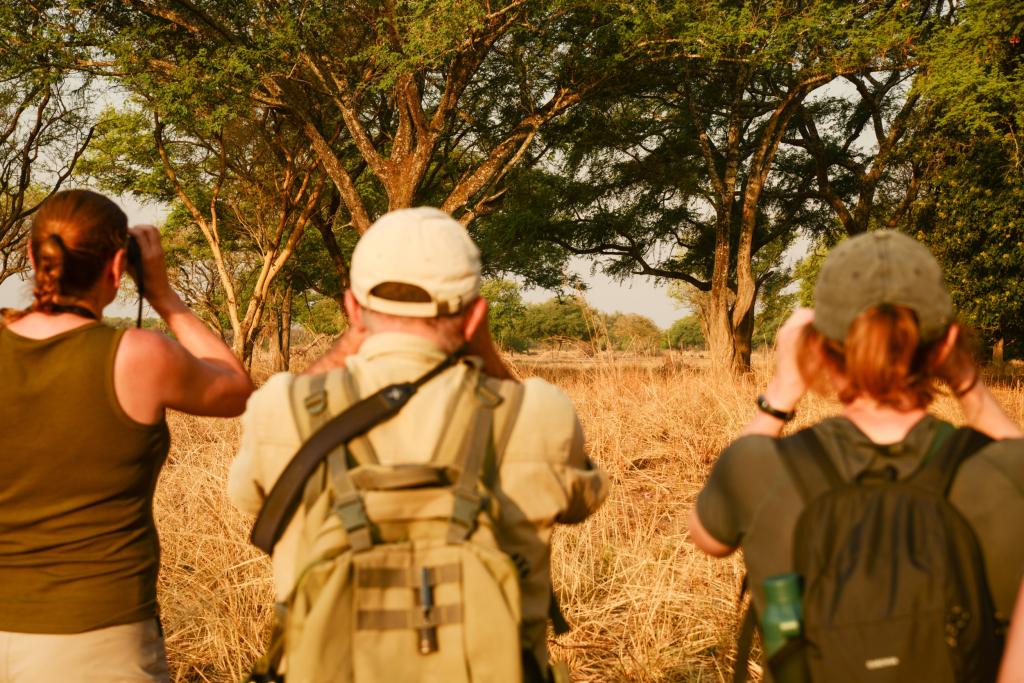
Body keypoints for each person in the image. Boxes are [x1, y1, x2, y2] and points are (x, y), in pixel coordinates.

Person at [229, 207, 608, 682]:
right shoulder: (539, 412)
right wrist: (486, 354)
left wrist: (340, 353)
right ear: (475, 317)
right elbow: (583, 500)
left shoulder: (279, 406)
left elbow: (251, 498)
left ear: (352, 309)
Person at [689, 230, 1024, 682]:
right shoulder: (1006, 473)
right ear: (944, 348)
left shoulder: (755, 467)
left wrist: (783, 391)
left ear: (820, 349)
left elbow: (709, 539)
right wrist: (968, 384)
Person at [0, 189, 254, 683]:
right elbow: (236, 388)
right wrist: (162, 296)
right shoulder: (138, 355)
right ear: (119, 267)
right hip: (102, 638)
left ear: (32, 256)